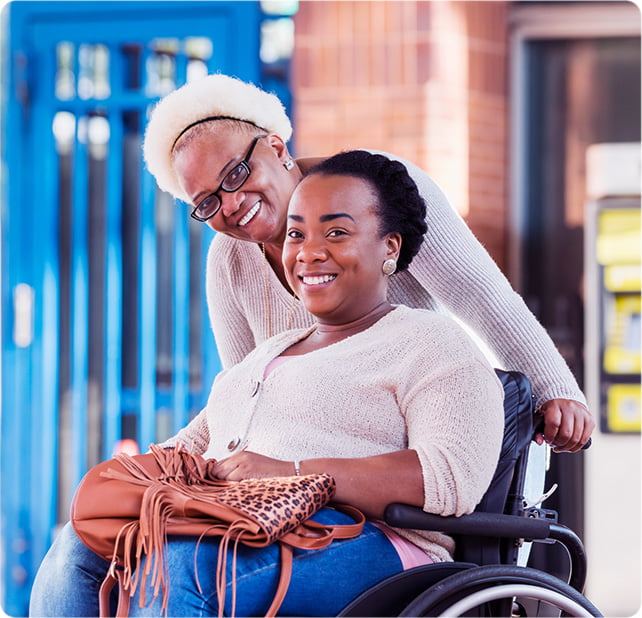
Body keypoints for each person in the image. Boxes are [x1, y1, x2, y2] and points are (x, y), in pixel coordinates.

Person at [30, 151, 505, 617]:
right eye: (297, 234)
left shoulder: (429, 340)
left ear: (390, 247)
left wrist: (294, 471)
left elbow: (448, 476)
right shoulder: (269, 353)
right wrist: (140, 477)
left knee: (186, 567)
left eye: (336, 232)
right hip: (249, 523)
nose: (308, 252)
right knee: (80, 546)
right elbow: (203, 442)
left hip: (378, 542)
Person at [143, 73, 593, 453]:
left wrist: (555, 389)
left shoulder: (376, 190)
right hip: (298, 470)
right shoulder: (228, 260)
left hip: (396, 443)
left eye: (236, 173)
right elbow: (246, 391)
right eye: (207, 201)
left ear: (277, 148)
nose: (233, 202)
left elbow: (482, 297)